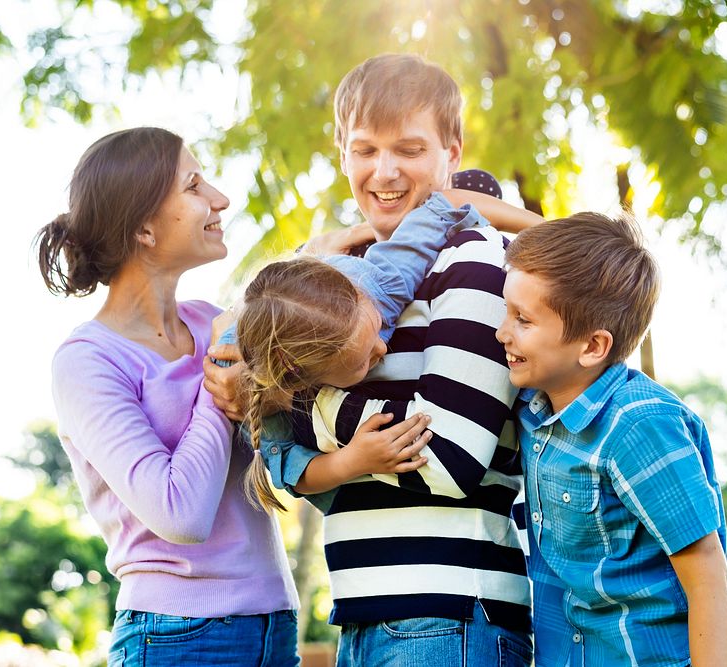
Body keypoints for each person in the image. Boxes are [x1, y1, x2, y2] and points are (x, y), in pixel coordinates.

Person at [204, 54, 534, 667]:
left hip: (450, 609)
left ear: (451, 154)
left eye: (409, 149)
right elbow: (244, 351)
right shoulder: (334, 280)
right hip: (368, 611)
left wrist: (290, 394)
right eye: (364, 150)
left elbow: (448, 456)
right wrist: (245, 363)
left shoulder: (474, 259)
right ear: (342, 153)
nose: (383, 172)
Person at [35, 127, 303, 666]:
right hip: (175, 636)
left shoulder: (211, 321)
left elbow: (285, 448)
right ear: (144, 229)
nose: (220, 200)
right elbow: (180, 513)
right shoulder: (88, 361)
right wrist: (220, 374)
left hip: (274, 624)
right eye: (194, 185)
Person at [495, 212, 727, 667]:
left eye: (522, 320)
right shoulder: (534, 406)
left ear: (593, 347)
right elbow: (466, 205)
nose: (502, 332)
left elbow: (708, 577)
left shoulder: (639, 425)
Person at [216, 188, 541, 515]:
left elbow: (439, 211)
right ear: (301, 377)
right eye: (364, 360)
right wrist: (350, 462)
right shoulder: (262, 393)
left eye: (377, 328)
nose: (383, 348)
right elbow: (295, 472)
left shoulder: (380, 281)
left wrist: (553, 236)